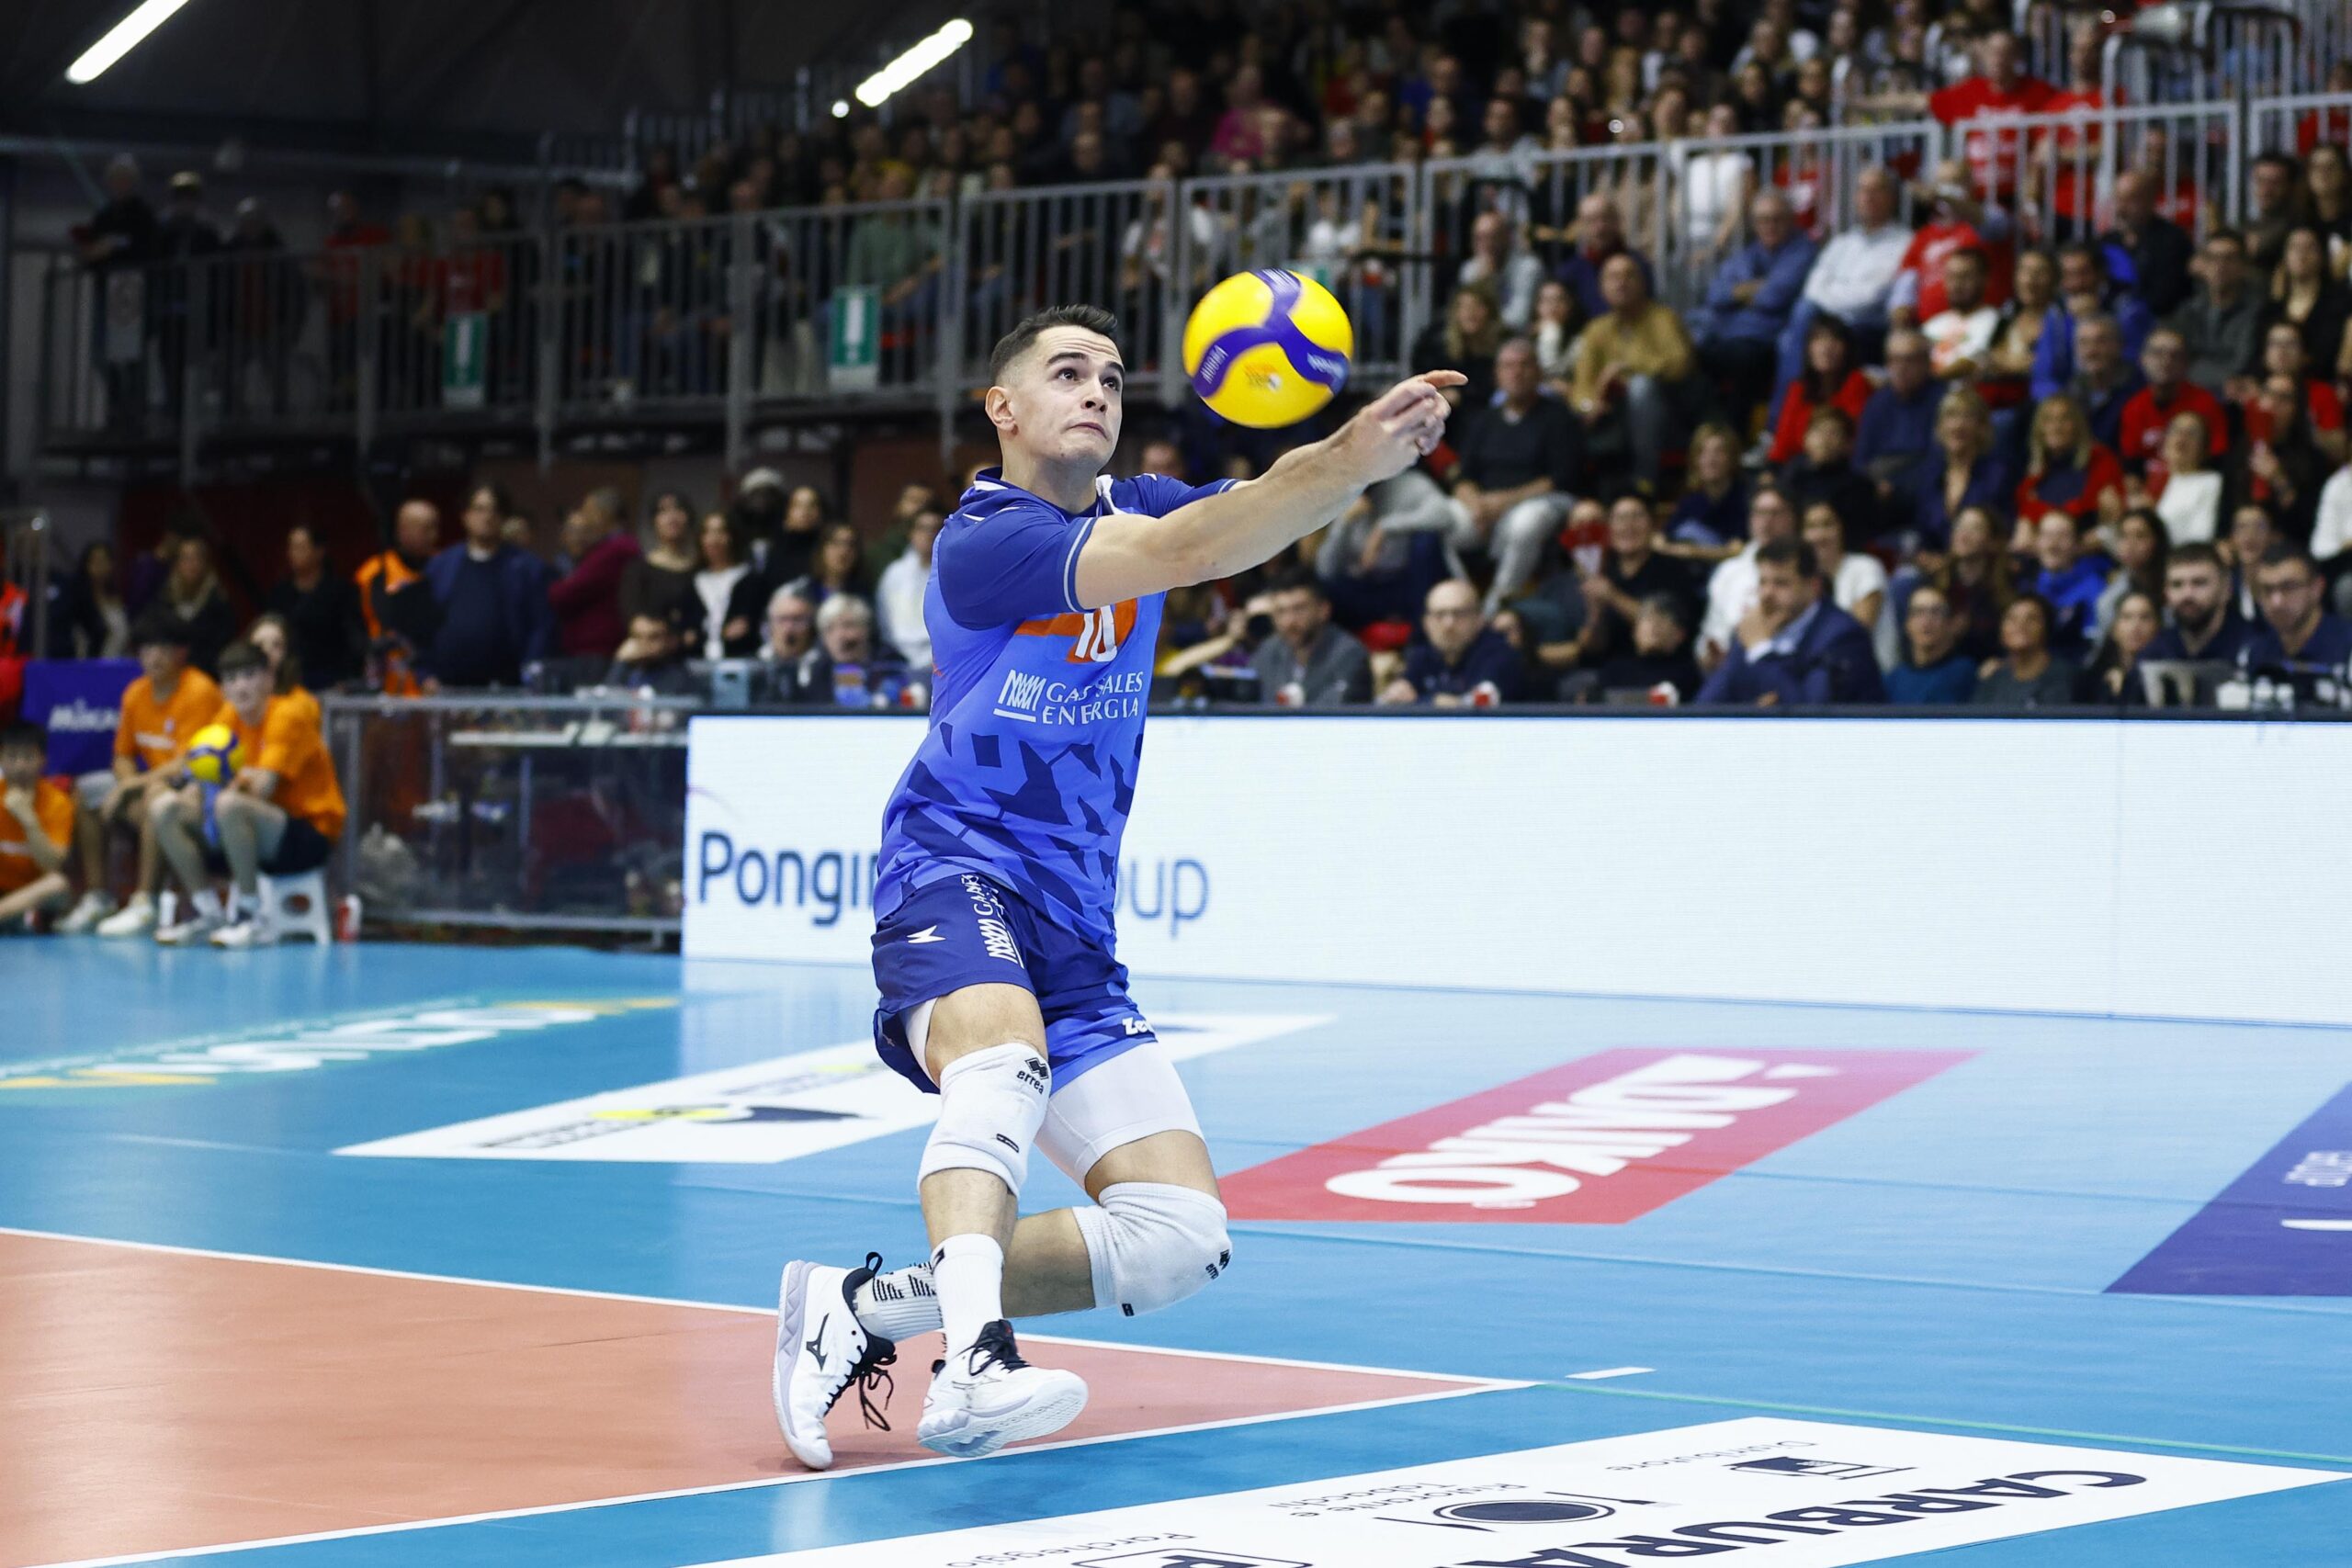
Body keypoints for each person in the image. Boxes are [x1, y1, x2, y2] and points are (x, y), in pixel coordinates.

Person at [772, 304, 1461, 1468]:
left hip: (1074, 922)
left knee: (1178, 1236)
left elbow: (1245, 517)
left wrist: (1359, 460)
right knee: (1001, 1064)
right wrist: (1352, 457)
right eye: (1067, 372)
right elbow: (1189, 554)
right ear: (1002, 408)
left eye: (1113, 376)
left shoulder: (1135, 501)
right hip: (955, 862)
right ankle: (974, 1367)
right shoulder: (984, 540)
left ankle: (860, 1308)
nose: (1097, 389)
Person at [146, 639, 345, 947]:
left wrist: (222, 784)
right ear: (223, 688)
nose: (241, 687)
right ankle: (208, 912)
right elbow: (201, 777)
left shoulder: (287, 715)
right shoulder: (228, 718)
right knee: (166, 808)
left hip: (308, 834)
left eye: (250, 675)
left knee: (229, 804)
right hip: (251, 831)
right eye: (231, 679)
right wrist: (188, 792)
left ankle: (251, 916)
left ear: (269, 679)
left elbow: (263, 788)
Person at [72, 617, 223, 937]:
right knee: (87, 791)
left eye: (163, 649)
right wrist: (129, 785)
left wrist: (132, 786)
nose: (153, 657)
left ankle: (145, 902)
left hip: (191, 791)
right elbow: (122, 755)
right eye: (146, 648)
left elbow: (189, 762)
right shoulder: (135, 692)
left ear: (181, 653)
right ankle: (97, 896)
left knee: (156, 799)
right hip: (147, 783)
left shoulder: (199, 691)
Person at [1439, 338, 1582, 613]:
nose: (1516, 372)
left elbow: (1561, 478)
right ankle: (1465, 603)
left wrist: (1501, 503)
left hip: (1543, 501)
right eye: (1508, 366)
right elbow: (1462, 476)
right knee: (1437, 522)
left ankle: (1496, 609)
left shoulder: (1558, 416)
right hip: (1485, 507)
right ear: (1497, 375)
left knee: (1525, 524)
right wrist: (1476, 506)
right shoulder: (1484, 420)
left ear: (1538, 372)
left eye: (1524, 365)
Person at [1771, 166, 1909, 410]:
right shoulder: (1843, 242)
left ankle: (1782, 418)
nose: (1868, 197)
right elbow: (1813, 286)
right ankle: (1792, 415)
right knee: (1796, 326)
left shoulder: (1903, 243)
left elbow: (1869, 297)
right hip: (1828, 320)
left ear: (1892, 198)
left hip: (1866, 326)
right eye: (1862, 190)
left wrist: (1830, 294)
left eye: (1876, 190)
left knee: (1802, 323)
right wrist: (1835, 297)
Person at [1695, 536, 1884, 705]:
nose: (1767, 594)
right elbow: (1706, 705)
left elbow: (1810, 713)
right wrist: (1753, 712)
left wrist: (1761, 650)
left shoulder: (1842, 637)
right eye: (1763, 582)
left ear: (1814, 586)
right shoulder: (1755, 628)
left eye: (1780, 583)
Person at [1570, 253, 1699, 488]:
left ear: (1643, 284)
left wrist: (1626, 369)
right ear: (1602, 288)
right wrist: (1590, 405)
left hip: (1666, 413)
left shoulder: (1663, 319)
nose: (1621, 283)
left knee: (1640, 387)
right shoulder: (1596, 329)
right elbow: (1582, 386)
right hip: (1613, 414)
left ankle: (1644, 480)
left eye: (1629, 276)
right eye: (1613, 277)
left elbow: (1680, 364)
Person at [1694, 190, 1819, 425]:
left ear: (1791, 220)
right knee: (1690, 360)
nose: (1769, 226)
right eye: (1763, 220)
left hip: (1766, 340)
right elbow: (1715, 295)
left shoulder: (1803, 251)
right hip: (1728, 336)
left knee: (1744, 362)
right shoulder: (1747, 253)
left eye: (1777, 219)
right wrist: (1751, 290)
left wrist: (1737, 295)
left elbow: (1775, 297)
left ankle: (1736, 434)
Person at [422, 481, 551, 689]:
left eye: (494, 510)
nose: (487, 517)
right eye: (479, 509)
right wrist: (425, 673)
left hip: (507, 686)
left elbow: (540, 627)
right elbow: (422, 624)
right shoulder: (441, 566)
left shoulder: (526, 568)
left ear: (504, 518)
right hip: (446, 684)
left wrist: (529, 674)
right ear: (465, 515)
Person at [1699, 485, 1799, 665]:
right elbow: (1710, 636)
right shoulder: (1728, 572)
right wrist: (1710, 655)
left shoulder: (1806, 568)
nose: (1767, 522)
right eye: (1760, 513)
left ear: (1792, 518)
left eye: (1775, 513)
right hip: (1732, 668)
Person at [2239, 547, 2352, 700]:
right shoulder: (2255, 652)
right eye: (2267, 589)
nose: (2277, 602)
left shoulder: (2348, 645)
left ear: (2317, 588)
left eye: (2289, 587)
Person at [1903, 387, 2008, 549]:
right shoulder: (1929, 475)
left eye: (1967, 417)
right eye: (1951, 416)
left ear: (1982, 427)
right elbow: (1923, 534)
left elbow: (2003, 532)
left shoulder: (1997, 474)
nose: (1957, 425)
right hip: (1937, 562)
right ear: (1939, 427)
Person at [356, 499, 444, 694]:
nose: (434, 535)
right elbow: (358, 628)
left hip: (435, 687)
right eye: (426, 529)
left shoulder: (445, 568)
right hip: (387, 687)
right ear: (403, 530)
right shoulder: (374, 573)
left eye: (435, 527)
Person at [265, 524, 364, 691]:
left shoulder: (340, 591)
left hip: (332, 680)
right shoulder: (280, 593)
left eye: (301, 547)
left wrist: (349, 678)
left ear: (319, 552)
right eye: (291, 547)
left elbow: (354, 638)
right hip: (289, 680)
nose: (293, 553)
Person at [2118, 328, 2228, 479]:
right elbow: (2131, 464)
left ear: (2186, 364)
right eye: (2157, 353)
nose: (2166, 361)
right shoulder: (2134, 407)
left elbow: (2216, 460)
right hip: (2149, 487)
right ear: (2143, 359)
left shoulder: (2205, 403)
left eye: (2175, 355)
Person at [1765, 316, 1872, 468]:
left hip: (1845, 468)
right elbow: (1783, 442)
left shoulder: (1857, 383)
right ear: (1808, 349)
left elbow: (1858, 439)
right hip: (1802, 468)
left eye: (1834, 340)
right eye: (1818, 339)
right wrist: (1771, 470)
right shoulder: (1798, 388)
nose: (1826, 348)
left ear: (1847, 349)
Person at [547, 488, 641, 660]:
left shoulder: (615, 550)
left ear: (602, 515)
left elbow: (567, 593)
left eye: (587, 512)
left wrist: (551, 587)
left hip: (597, 648)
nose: (584, 519)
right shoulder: (609, 548)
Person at [2168, 230, 2263, 397]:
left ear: (2243, 266)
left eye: (2229, 259)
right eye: (2212, 258)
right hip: (2192, 396)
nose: (2220, 266)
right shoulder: (2188, 311)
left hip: (2236, 399)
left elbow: (2243, 365)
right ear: (2203, 265)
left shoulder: (2258, 312)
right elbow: (2180, 363)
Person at [1251, 573, 1370, 705]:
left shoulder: (1348, 654)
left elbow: (1340, 709)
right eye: (1281, 611)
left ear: (1323, 610)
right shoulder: (1268, 651)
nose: (1289, 621)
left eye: (1299, 609)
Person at [0, 721, 74, 931]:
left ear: (43, 760)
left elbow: (51, 865)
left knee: (58, 884)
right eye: (12, 757)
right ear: (1, 760)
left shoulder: (58, 803)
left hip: (34, 896)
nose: (20, 766)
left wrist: (28, 819)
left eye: (28, 757)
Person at [1801, 500, 1892, 668]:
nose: (1820, 535)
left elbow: (1856, 633)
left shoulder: (1865, 567)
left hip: (1870, 672)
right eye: (1811, 527)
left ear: (1841, 528)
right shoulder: (1802, 581)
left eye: (1827, 524)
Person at [1853, 330, 1942, 502]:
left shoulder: (1942, 401)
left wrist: (1897, 486)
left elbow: (1939, 462)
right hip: (1876, 490)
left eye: (1909, 360)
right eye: (1894, 360)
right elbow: (1860, 459)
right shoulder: (1878, 402)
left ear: (1926, 363)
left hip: (1921, 493)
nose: (1901, 368)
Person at [2015, 391, 2124, 530]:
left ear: (2078, 425)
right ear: (2039, 429)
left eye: (2064, 419)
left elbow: (2112, 514)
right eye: (2048, 420)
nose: (2056, 427)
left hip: (2091, 539)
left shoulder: (2100, 459)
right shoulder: (2032, 479)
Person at [2100, 169, 2196, 319]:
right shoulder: (2108, 241)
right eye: (2118, 199)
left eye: (2131, 200)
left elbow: (2167, 297)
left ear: (2151, 200)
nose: (2121, 208)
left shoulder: (2172, 240)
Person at [2145, 540, 2253, 665]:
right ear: (2166, 593)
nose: (2187, 594)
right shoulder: (2154, 654)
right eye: (2177, 584)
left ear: (2226, 589)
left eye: (2199, 583)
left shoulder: (2254, 648)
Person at [797, 594, 913, 708]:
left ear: (866, 629)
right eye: (829, 629)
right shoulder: (815, 672)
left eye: (848, 626)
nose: (839, 636)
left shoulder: (892, 665)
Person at [619, 492, 702, 650]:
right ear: (654, 521)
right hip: (654, 654)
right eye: (663, 511)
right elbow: (636, 621)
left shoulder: (701, 569)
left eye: (678, 509)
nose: (672, 517)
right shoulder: (638, 570)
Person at [1972, 592, 2080, 707]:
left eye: (2032, 619)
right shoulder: (1993, 678)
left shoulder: (2067, 677)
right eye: (2012, 619)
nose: (2020, 625)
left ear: (2046, 628)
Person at [153, 535, 237, 675]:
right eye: (186, 558)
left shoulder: (219, 599)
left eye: (197, 558)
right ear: (177, 563)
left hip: (208, 673)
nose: (191, 564)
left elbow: (225, 643)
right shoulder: (165, 596)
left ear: (206, 563)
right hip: (170, 672)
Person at [2141, 412, 2226, 547]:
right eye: (2176, 430)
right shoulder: (2155, 481)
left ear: (2204, 447)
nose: (2182, 438)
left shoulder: (2211, 482)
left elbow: (2201, 537)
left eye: (2191, 433)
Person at [2030, 511, 2107, 658]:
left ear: (2078, 544)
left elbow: (2093, 648)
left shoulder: (2094, 588)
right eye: (2047, 535)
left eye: (2062, 536)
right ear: (2037, 542)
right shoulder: (2026, 583)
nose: (2053, 544)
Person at [1885, 582, 1978, 703]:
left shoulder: (1967, 674)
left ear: (1949, 623)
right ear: (1907, 624)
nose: (1927, 621)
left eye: (1936, 612)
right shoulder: (1893, 680)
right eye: (1918, 612)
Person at [876, 506, 943, 671]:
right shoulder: (894, 573)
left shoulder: (952, 574)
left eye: (935, 529)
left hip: (940, 659)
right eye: (923, 528)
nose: (929, 535)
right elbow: (883, 619)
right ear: (911, 533)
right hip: (897, 657)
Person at [1921, 247, 2000, 381]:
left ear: (1985, 279)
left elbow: (1971, 362)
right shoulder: (1932, 324)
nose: (1957, 285)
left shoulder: (1996, 322)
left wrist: (1927, 382)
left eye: (1965, 277)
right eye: (1951, 276)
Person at [2094, 507, 2169, 645]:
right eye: (2123, 536)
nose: (2130, 544)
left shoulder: (2176, 585)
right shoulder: (2109, 600)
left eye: (2140, 536)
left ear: (2157, 541)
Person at [2080, 588, 2160, 705]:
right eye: (2127, 617)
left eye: (2144, 617)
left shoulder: (2169, 673)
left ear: (2157, 626)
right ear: (2114, 628)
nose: (2135, 626)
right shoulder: (2092, 679)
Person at [604, 611, 701, 696]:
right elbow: (608, 703)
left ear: (671, 640)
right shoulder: (628, 671)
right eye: (637, 636)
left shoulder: (681, 677)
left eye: (653, 637)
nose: (644, 644)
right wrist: (620, 661)